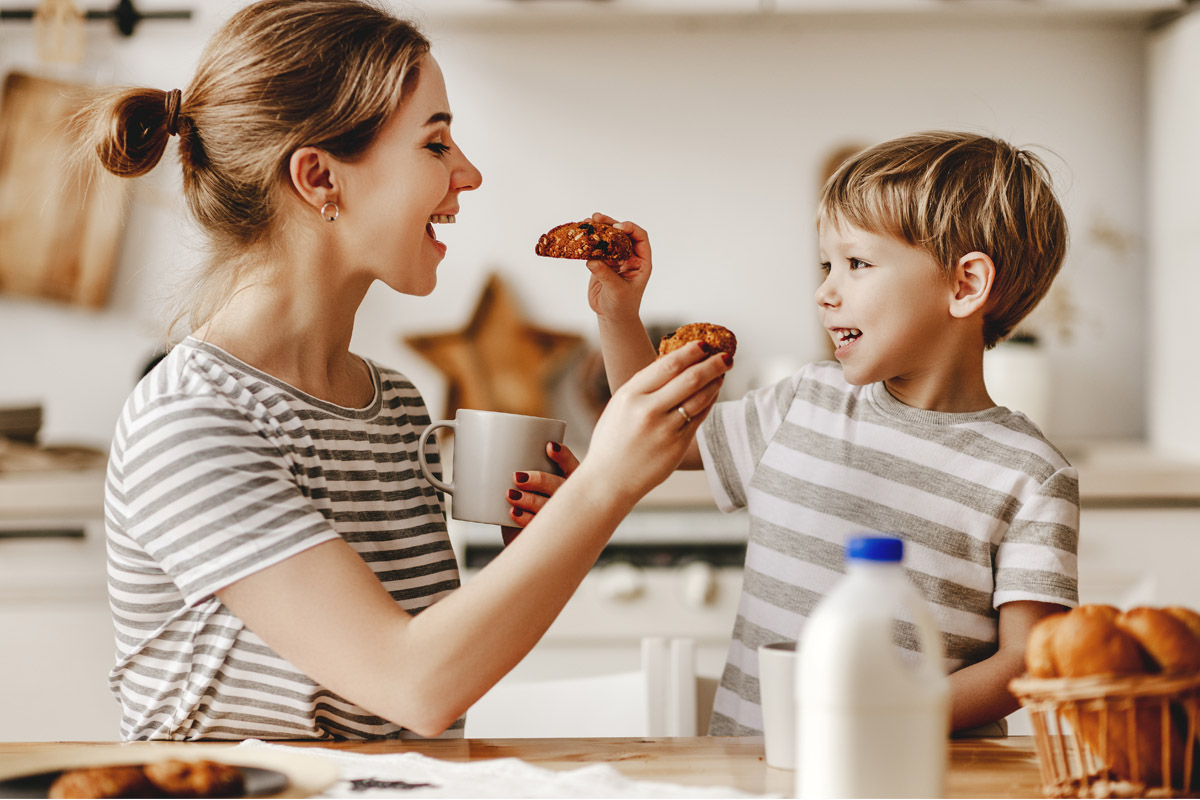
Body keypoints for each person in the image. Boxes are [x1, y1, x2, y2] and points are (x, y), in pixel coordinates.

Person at [81, 0, 731, 741]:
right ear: (320, 178)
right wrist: (605, 486)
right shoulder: (192, 421)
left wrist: (548, 542)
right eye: (435, 143)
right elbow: (411, 684)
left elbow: (421, 695)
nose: (469, 173)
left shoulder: (388, 404)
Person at [583, 131, 1079, 737]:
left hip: (911, 778)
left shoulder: (1031, 473)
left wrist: (885, 722)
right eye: (827, 265)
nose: (825, 291)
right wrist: (618, 314)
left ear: (965, 285)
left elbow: (1026, 660)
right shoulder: (803, 402)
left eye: (857, 263)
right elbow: (651, 431)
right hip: (754, 774)